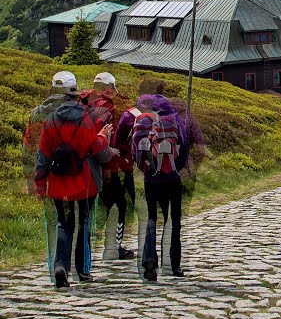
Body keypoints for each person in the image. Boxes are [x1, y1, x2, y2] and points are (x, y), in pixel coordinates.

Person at [32, 71, 114, 288]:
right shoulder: (87, 118)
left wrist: (40, 183)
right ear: (75, 95)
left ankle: (60, 265)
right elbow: (95, 149)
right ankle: (82, 270)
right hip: (84, 180)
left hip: (58, 181)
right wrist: (102, 138)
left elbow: (43, 155)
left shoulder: (50, 121)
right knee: (84, 222)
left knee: (63, 223)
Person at [130, 93, 190, 281]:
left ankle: (149, 260)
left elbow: (134, 150)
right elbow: (185, 146)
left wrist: (146, 169)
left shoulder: (143, 121)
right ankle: (173, 265)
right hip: (171, 178)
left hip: (150, 179)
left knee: (151, 218)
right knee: (173, 220)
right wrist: (174, 167)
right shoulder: (174, 119)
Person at [82, 72, 135, 260]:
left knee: (84, 211)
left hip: (81, 163)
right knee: (118, 204)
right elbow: (106, 138)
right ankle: (114, 246)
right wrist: (108, 165)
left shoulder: (84, 102)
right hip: (102, 161)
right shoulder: (106, 108)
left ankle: (82, 251)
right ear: (107, 88)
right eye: (112, 88)